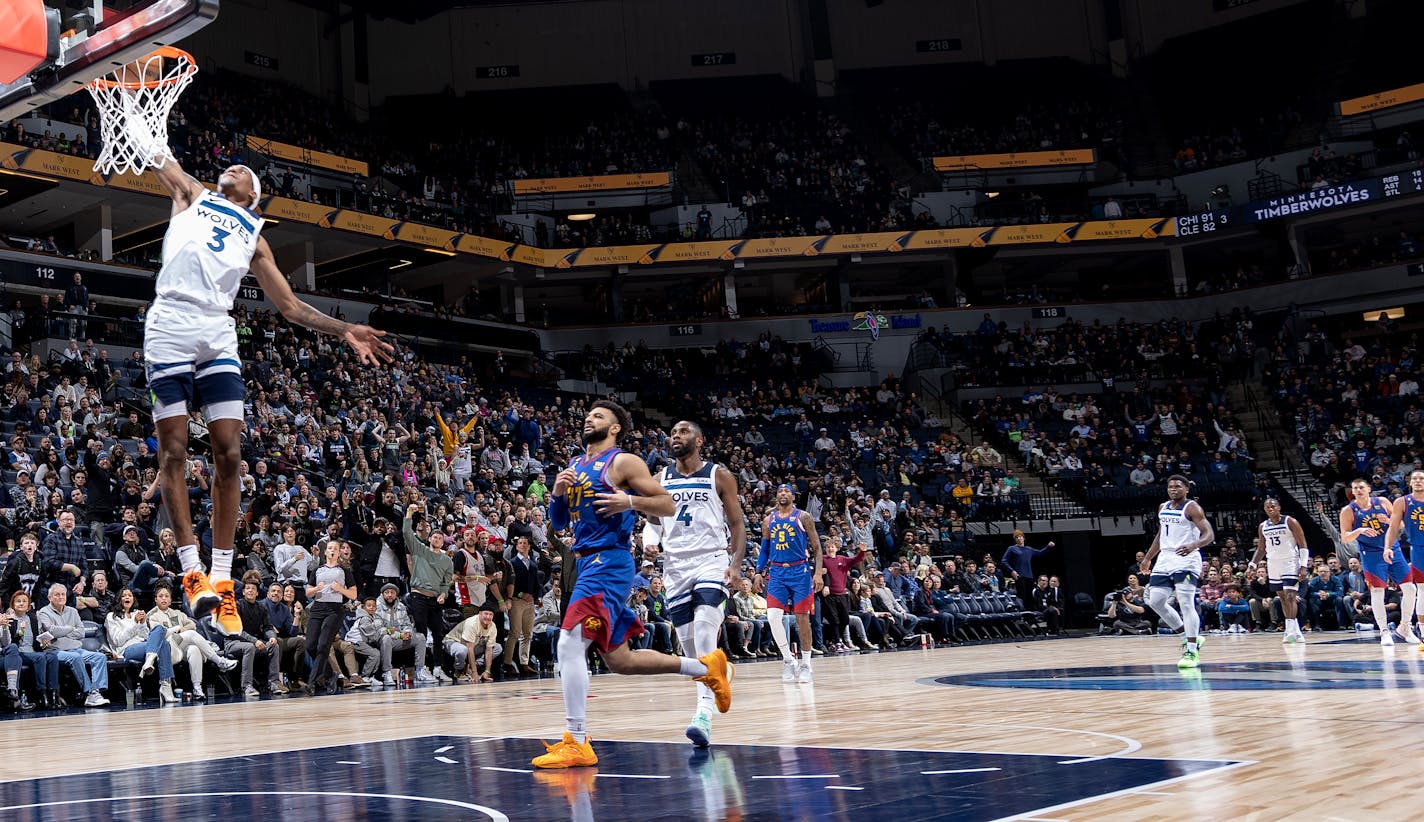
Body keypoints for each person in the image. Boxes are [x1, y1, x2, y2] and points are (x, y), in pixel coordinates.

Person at [139, 124, 391, 635]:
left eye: (241, 170)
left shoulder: (254, 236)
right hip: (169, 323)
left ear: (253, 196)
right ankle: (192, 572)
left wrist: (345, 329)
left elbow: (291, 306)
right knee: (173, 451)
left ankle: (225, 580)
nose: (230, 168)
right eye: (228, 167)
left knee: (229, 451)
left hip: (215, 328)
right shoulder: (192, 193)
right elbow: (155, 157)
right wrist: (134, 117)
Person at [533, 400, 731, 769]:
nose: (589, 418)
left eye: (598, 416)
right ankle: (707, 669)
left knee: (569, 642)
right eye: (588, 414)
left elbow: (667, 505)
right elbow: (560, 524)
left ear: (614, 428)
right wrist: (558, 494)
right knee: (620, 660)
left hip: (608, 561)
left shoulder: (623, 462)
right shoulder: (575, 466)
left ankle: (576, 739)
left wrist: (629, 501)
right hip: (585, 560)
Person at [640, 420, 746, 747]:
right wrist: (648, 545)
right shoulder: (660, 479)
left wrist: (736, 564)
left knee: (703, 628)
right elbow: (652, 522)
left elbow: (737, 522)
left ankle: (703, 712)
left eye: (683, 432)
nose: (676, 436)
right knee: (689, 649)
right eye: (672, 433)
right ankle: (718, 674)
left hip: (711, 559)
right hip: (675, 566)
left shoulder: (719, 475)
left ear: (699, 440)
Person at [1139, 475, 1214, 669]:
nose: (1173, 489)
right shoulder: (1163, 507)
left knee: (1186, 603)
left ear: (1187, 489)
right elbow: (1161, 534)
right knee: (1155, 601)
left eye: (1178, 486)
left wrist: (1194, 544)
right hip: (1165, 558)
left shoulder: (1192, 508)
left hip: (1186, 558)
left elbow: (1209, 534)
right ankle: (1187, 636)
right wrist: (1148, 557)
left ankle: (1191, 650)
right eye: (1170, 486)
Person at [757, 483, 824, 685]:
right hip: (777, 571)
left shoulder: (803, 517)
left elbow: (817, 547)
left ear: (793, 497)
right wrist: (759, 572)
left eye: (787, 491)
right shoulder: (768, 520)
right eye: (780, 491)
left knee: (802, 618)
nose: (783, 494)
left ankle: (806, 664)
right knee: (772, 617)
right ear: (776, 496)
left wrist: (818, 573)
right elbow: (764, 549)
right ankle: (788, 659)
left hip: (800, 571)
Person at [146, 583, 236, 700]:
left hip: (180, 645)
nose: (164, 598)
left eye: (167, 596)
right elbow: (159, 634)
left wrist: (181, 629)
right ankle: (220, 661)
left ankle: (197, 688)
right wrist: (177, 629)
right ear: (155, 599)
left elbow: (192, 624)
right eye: (161, 596)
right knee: (191, 634)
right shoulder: (152, 615)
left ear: (170, 599)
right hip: (166, 648)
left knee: (194, 649)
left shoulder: (178, 613)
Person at [401, 504, 454, 684]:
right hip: (418, 596)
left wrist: (443, 593)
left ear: (443, 541)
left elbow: (447, 581)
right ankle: (420, 669)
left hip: (435, 599)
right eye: (435, 537)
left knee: (439, 634)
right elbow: (407, 533)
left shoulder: (447, 560)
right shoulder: (419, 549)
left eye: (440, 538)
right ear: (429, 538)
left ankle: (438, 668)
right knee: (421, 634)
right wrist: (409, 514)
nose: (437, 539)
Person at [1370, 474, 1424, 646]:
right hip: (1418, 549)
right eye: (1414, 478)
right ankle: (1421, 632)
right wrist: (1387, 547)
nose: (1418, 481)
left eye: (1421, 478)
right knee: (1422, 589)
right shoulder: (1402, 501)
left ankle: (1407, 628)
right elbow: (1394, 529)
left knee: (1414, 590)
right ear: (1409, 482)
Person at [36, 582, 110, 706]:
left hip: (76, 649)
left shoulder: (73, 611)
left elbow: (81, 633)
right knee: (75, 658)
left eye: (63, 594)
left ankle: (95, 692)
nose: (61, 597)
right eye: (57, 595)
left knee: (99, 657)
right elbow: (51, 631)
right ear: (50, 598)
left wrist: (62, 631)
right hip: (55, 651)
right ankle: (89, 692)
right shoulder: (44, 612)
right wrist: (70, 628)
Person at [1250, 498, 1310, 644]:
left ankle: (1289, 630)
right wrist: (1252, 564)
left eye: (1273, 506)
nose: (1270, 509)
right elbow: (1261, 548)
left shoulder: (1290, 521)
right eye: (1267, 507)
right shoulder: (1263, 526)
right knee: (1282, 598)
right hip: (1273, 563)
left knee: (1290, 596)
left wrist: (1303, 566)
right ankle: (1295, 632)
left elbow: (1303, 545)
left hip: (1290, 561)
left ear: (1279, 507)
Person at [103, 587, 177, 703]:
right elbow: (118, 640)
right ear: (119, 599)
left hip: (144, 646)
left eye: (130, 595)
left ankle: (154, 667)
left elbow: (147, 637)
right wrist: (134, 623)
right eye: (124, 595)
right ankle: (165, 687)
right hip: (126, 650)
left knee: (160, 634)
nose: (127, 597)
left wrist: (142, 624)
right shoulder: (112, 617)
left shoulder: (136, 613)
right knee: (163, 642)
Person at [304, 539, 358, 695]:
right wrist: (316, 588)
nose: (332, 550)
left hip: (334, 610)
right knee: (310, 645)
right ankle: (330, 674)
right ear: (325, 551)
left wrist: (340, 589)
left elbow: (353, 594)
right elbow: (308, 592)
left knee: (323, 646)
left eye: (335, 548)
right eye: (330, 548)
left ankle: (311, 682)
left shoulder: (344, 571)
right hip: (318, 608)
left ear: (339, 552)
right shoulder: (317, 570)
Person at [8, 590, 56, 708]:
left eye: (24, 601)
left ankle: (54, 693)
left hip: (33, 651)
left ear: (29, 605)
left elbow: (35, 641)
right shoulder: (10, 620)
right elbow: (10, 645)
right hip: (19, 654)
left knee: (52, 656)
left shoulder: (33, 619)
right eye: (18, 601)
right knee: (39, 657)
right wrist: (20, 632)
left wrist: (43, 643)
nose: (21, 603)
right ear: (13, 604)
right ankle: (42, 693)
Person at [444, 607, 502, 682]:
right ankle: (459, 670)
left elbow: (489, 649)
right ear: (480, 613)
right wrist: (475, 673)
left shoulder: (492, 626)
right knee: (462, 650)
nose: (488, 617)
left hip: (473, 645)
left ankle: (470, 667)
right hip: (453, 642)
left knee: (497, 647)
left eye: (491, 614)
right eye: (486, 614)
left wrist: (487, 671)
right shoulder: (472, 623)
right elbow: (469, 648)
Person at [1001, 530, 1054, 600]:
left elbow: (1040, 553)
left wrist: (1048, 546)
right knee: (1022, 596)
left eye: (1020, 536)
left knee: (1030, 597)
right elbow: (1004, 561)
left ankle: (1030, 610)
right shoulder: (1012, 548)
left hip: (1029, 576)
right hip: (1019, 576)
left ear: (1023, 538)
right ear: (1015, 539)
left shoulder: (1029, 549)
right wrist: (1012, 571)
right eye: (1017, 537)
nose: (1019, 538)